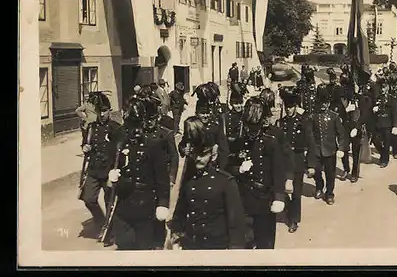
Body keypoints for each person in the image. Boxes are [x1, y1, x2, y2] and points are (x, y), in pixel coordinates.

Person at [169, 116, 247, 250]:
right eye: (195, 154)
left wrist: (235, 251)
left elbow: (236, 223)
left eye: (203, 154)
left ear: (213, 154)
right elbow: (180, 211)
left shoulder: (226, 182)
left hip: (216, 246)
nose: (198, 159)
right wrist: (176, 235)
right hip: (192, 244)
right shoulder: (189, 180)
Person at [107, 98, 170, 250]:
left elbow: (162, 179)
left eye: (137, 125)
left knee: (144, 248)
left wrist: (162, 204)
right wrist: (111, 175)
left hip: (146, 206)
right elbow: (112, 163)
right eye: (130, 125)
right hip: (124, 205)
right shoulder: (119, 141)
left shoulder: (153, 144)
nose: (134, 131)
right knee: (124, 245)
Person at [231, 97, 286, 249]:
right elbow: (228, 167)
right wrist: (239, 169)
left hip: (264, 198)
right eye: (249, 127)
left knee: (265, 242)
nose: (252, 132)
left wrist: (279, 197)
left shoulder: (270, 142)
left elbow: (278, 172)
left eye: (255, 127)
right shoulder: (239, 142)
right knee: (246, 242)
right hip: (244, 198)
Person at [79, 92, 122, 245]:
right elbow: (85, 143)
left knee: (110, 201)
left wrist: (117, 171)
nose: (102, 114)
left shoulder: (116, 128)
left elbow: (122, 150)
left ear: (110, 110)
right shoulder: (91, 127)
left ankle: (109, 232)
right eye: (99, 111)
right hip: (94, 169)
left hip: (109, 170)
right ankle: (101, 222)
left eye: (104, 110)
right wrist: (85, 147)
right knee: (88, 199)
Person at [275, 86, 315, 233]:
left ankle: (294, 220)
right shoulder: (281, 123)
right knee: (283, 191)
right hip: (283, 162)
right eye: (287, 107)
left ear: (296, 107)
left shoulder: (303, 122)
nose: (289, 110)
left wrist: (311, 165)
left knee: (296, 193)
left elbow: (311, 143)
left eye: (291, 107)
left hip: (297, 161)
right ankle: (288, 212)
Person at [309, 83, 348, 205]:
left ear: (328, 103)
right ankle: (319, 187)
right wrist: (308, 148)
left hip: (330, 150)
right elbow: (309, 134)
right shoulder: (313, 116)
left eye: (326, 103)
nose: (324, 105)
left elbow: (342, 134)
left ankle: (330, 193)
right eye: (321, 103)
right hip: (316, 149)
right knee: (317, 171)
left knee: (330, 174)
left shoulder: (334, 117)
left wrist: (341, 148)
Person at [372, 77, 397, 168]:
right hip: (378, 123)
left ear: (388, 88)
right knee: (375, 141)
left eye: (384, 87)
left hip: (387, 124)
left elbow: (396, 113)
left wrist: (395, 125)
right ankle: (383, 154)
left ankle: (385, 160)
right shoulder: (377, 98)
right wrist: (374, 109)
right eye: (381, 88)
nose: (382, 90)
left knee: (387, 143)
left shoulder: (392, 99)